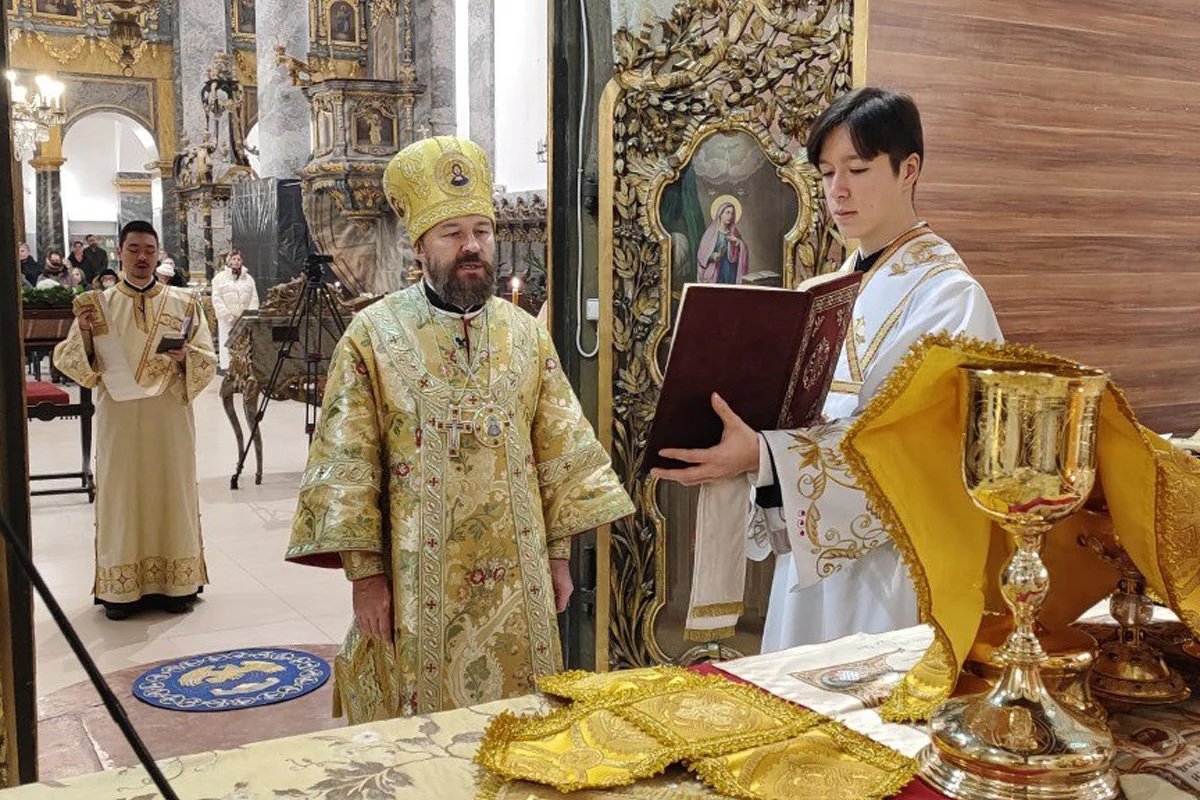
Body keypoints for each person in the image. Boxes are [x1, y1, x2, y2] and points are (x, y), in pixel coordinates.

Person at [286, 136, 635, 723]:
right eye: (452, 233)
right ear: (419, 246)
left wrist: (556, 557)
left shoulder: (525, 335)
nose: (471, 246)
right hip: (414, 584)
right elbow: (346, 469)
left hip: (516, 582)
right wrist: (366, 579)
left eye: (482, 230)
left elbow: (558, 454)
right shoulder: (373, 336)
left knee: (520, 727)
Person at [653, 88, 1003, 650]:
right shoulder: (823, 294)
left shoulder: (950, 300)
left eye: (858, 170)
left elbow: (921, 451)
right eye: (825, 173)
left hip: (894, 575)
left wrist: (765, 455)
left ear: (908, 169)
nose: (837, 192)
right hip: (811, 561)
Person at [53, 220, 217, 620]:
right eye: (133, 249)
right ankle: (120, 590)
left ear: (158, 252)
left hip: (169, 418)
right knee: (122, 493)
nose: (142, 257)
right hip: (120, 418)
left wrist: (187, 360)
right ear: (120, 252)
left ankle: (176, 584)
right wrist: (88, 336)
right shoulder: (100, 306)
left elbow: (208, 358)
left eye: (148, 249)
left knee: (170, 488)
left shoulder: (184, 303)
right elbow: (72, 360)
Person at [209, 249, 259, 372]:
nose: (236, 262)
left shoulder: (249, 279)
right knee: (227, 343)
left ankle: (245, 368)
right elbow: (217, 298)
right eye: (234, 259)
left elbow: (254, 297)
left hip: (244, 318)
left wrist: (251, 314)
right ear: (229, 261)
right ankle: (228, 369)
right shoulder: (219, 279)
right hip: (227, 319)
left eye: (238, 259)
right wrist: (227, 316)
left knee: (245, 343)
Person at [697, 197, 749, 284]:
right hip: (715, 270)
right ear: (720, 214)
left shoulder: (734, 232)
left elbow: (744, 249)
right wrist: (712, 256)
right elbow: (701, 253)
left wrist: (737, 242)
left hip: (731, 271)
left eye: (732, 213)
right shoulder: (711, 232)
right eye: (727, 213)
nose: (730, 216)